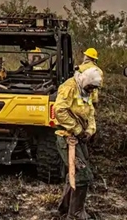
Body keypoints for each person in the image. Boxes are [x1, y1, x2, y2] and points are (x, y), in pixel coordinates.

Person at [53, 66, 102, 219]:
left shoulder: (87, 91)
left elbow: (90, 113)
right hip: (68, 137)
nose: (91, 90)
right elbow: (59, 110)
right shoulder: (70, 87)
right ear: (85, 81)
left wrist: (89, 131)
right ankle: (75, 213)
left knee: (75, 173)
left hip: (79, 138)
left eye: (93, 88)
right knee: (83, 174)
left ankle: (65, 208)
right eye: (90, 87)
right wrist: (77, 129)